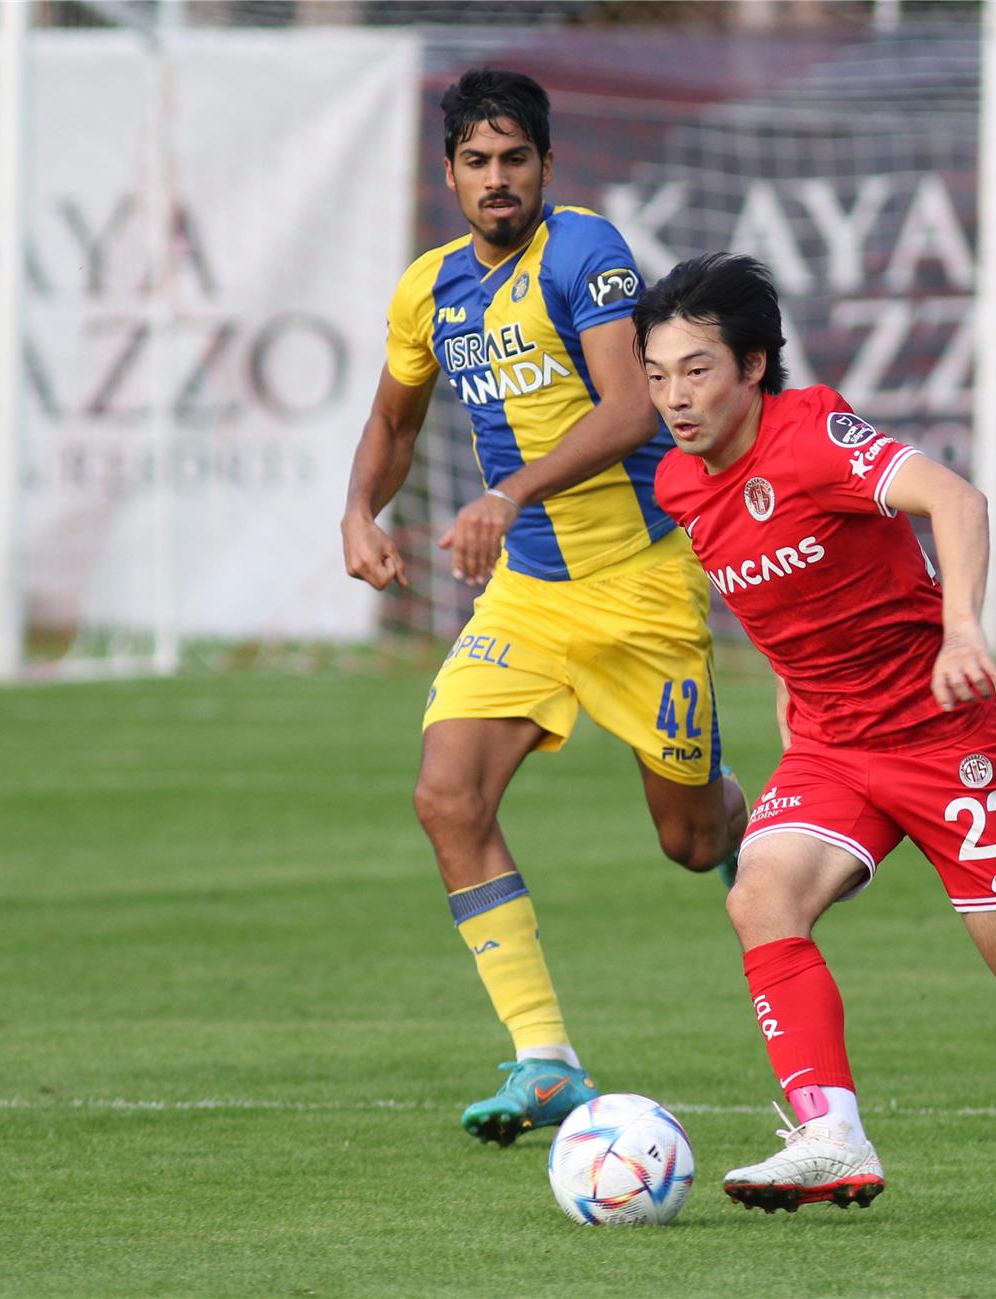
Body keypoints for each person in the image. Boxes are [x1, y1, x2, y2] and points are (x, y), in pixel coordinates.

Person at [636, 254, 996, 1214]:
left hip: (940, 729)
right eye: (657, 374)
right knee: (760, 899)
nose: (675, 397)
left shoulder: (813, 436)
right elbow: (787, 597)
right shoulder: (682, 484)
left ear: (755, 365)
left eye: (696, 370)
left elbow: (957, 500)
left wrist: (962, 628)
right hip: (830, 746)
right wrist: (790, 693)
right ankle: (830, 1132)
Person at [339, 69, 746, 1147]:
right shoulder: (429, 291)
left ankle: (750, 824)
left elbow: (626, 408)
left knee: (691, 844)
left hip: (642, 587)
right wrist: (356, 512)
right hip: (527, 594)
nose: (497, 179)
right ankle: (545, 1056)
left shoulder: (582, 251)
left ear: (548, 167)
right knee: (445, 796)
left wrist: (508, 490)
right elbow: (392, 421)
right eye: (477, 162)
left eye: (515, 158)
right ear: (450, 175)